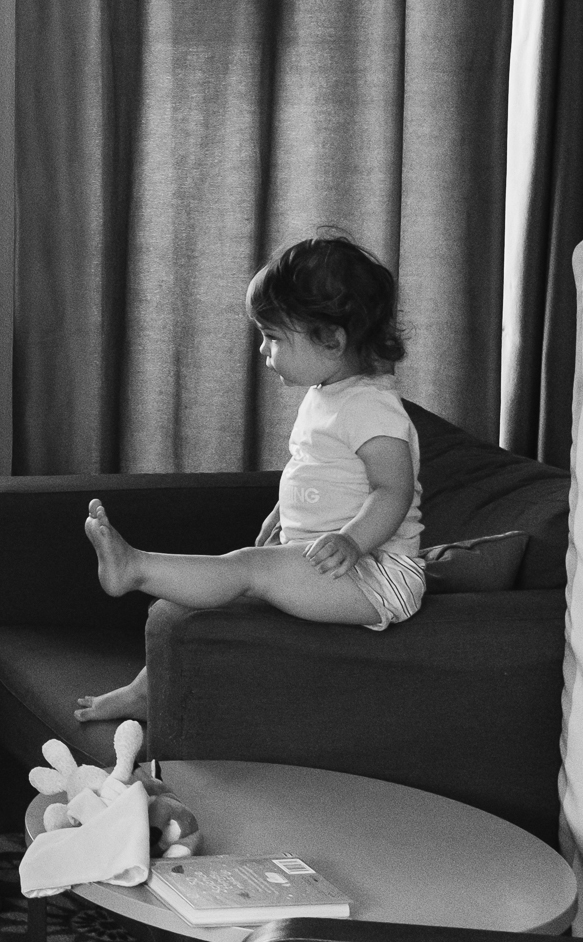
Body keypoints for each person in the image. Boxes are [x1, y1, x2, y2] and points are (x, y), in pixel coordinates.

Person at [74, 234, 424, 724]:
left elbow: (393, 489)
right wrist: (283, 514)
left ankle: (135, 568)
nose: (263, 349)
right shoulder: (328, 394)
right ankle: (143, 691)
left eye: (274, 337)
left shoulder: (372, 406)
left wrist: (352, 540)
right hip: (329, 560)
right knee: (200, 603)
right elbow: (322, 473)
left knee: (245, 567)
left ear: (332, 338)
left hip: (379, 576)